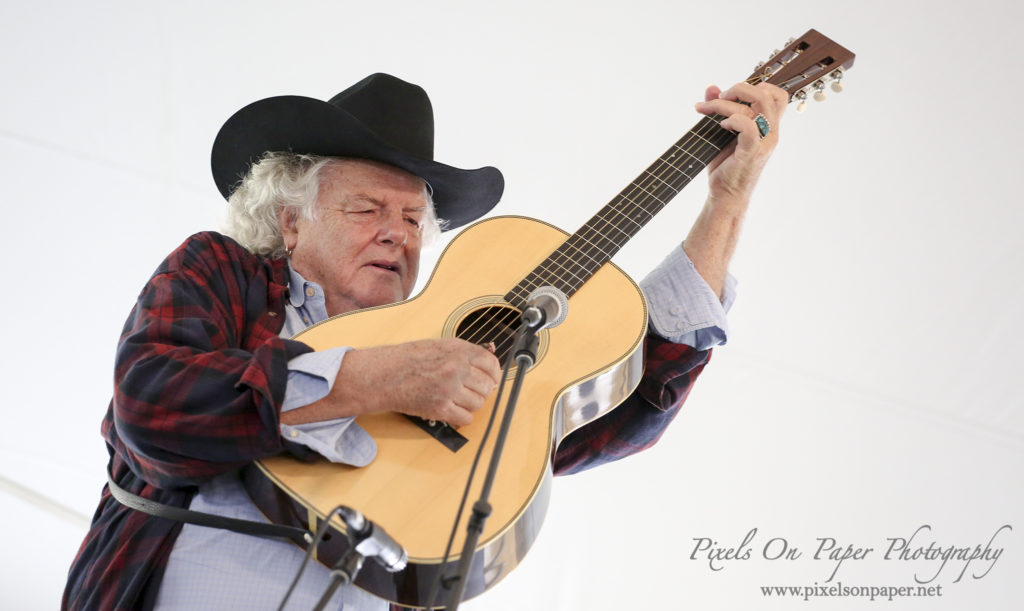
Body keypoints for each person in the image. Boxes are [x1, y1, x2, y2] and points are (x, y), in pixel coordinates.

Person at [63, 72, 787, 610]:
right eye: (367, 207)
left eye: (414, 219)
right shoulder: (223, 272)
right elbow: (152, 404)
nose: (397, 232)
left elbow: (622, 410)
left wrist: (728, 202)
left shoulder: (460, 349)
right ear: (291, 222)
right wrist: (374, 378)